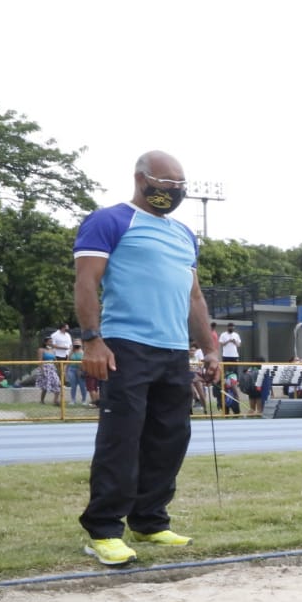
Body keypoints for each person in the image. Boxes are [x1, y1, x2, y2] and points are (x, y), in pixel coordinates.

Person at [73, 150, 218, 565]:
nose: (173, 192)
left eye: (179, 186)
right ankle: (103, 529)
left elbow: (194, 296)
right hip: (125, 347)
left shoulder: (183, 234)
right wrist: (92, 340)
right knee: (122, 438)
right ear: (141, 179)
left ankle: (150, 520)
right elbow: (87, 281)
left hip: (174, 351)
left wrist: (208, 347)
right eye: (166, 184)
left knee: (170, 438)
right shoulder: (110, 221)